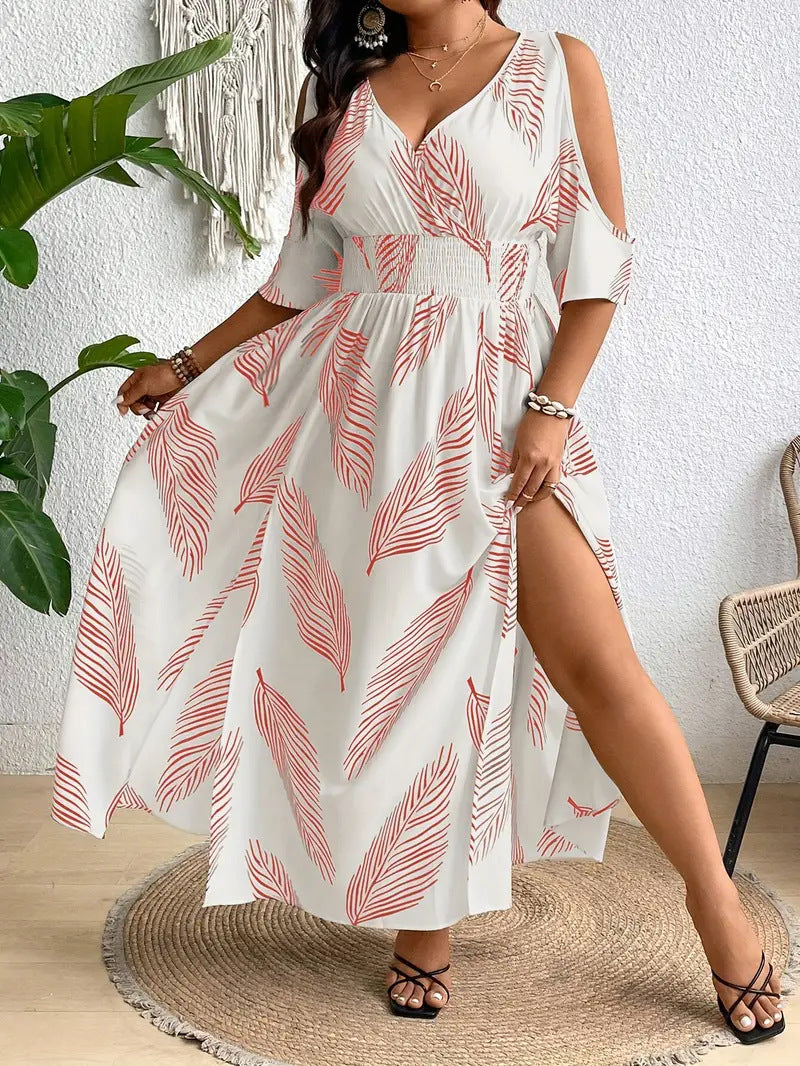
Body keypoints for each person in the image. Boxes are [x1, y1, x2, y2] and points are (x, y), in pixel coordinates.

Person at [51, 0, 785, 1040]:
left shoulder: (555, 66)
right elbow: (301, 278)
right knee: (407, 669)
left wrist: (550, 407)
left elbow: (600, 263)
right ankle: (422, 919)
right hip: (359, 419)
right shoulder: (347, 88)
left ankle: (714, 907)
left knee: (597, 667)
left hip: (501, 405)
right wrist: (185, 363)